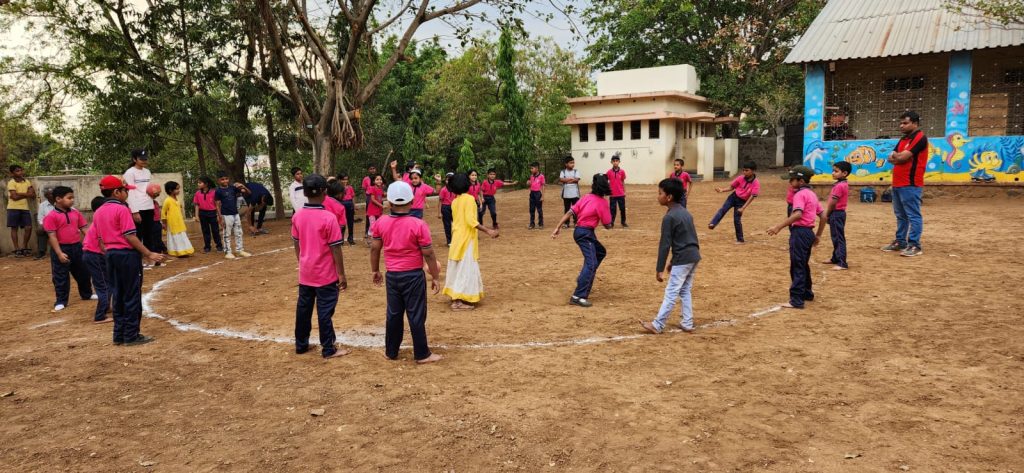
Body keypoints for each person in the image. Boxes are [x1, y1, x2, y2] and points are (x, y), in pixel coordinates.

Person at [370, 180, 443, 364]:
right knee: (416, 314)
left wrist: (375, 270)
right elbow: (428, 253)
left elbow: (374, 249)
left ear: (389, 203)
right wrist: (435, 276)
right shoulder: (418, 224)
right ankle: (422, 354)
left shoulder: (381, 222)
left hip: (392, 275)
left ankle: (391, 351)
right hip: (413, 276)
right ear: (411, 202)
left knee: (394, 314)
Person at [92, 175, 164, 345]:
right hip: (126, 255)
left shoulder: (99, 211)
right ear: (117, 192)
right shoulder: (122, 209)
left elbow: (100, 239)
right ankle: (131, 335)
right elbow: (130, 236)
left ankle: (119, 334)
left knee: (117, 294)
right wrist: (149, 253)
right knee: (131, 294)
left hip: (111, 254)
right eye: (125, 191)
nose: (127, 194)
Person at [291, 173, 350, 359]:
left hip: (306, 272)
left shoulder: (298, 216)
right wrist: (341, 274)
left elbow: (296, 243)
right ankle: (328, 348)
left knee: (303, 309)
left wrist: (302, 262)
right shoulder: (328, 218)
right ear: (325, 192)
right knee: (325, 311)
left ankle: (301, 345)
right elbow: (336, 249)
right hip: (325, 274)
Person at [639, 178, 701, 334]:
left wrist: (659, 268)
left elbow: (665, 244)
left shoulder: (669, 217)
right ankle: (687, 322)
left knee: (672, 291)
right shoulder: (686, 213)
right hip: (693, 256)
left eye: (660, 193)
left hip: (683, 258)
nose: (657, 196)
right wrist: (673, 261)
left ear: (669, 197)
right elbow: (688, 239)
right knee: (685, 290)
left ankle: (658, 324)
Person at [767, 166, 826, 309]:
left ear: (800, 181)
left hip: (799, 232)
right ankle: (807, 293)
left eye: (792, 180)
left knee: (797, 266)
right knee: (803, 264)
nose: (789, 182)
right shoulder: (811, 194)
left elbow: (798, 214)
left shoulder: (799, 195)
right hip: (808, 233)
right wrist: (817, 235)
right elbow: (823, 216)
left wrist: (778, 227)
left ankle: (796, 300)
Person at [551, 174, 613, 308]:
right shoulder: (602, 202)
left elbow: (569, 212)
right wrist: (608, 220)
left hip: (581, 231)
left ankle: (584, 277)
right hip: (585, 234)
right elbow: (608, 225)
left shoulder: (586, 197)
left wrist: (558, 227)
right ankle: (577, 296)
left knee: (600, 252)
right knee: (591, 263)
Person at [443, 173, 499, 310]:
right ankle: (458, 301)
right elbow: (471, 221)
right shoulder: (468, 199)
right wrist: (488, 231)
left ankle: (455, 296)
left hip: (457, 238)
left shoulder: (455, 201)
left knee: (457, 267)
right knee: (465, 268)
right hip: (465, 239)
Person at [882, 111, 927, 257]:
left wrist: (899, 157)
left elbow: (903, 157)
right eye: (901, 123)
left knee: (913, 215)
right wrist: (898, 157)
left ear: (915, 123)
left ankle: (915, 245)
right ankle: (900, 241)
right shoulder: (903, 139)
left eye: (905, 123)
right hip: (898, 182)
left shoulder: (920, 138)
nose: (901, 126)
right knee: (900, 215)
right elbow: (892, 157)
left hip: (911, 183)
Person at [43, 186, 94, 312]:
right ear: (58, 199)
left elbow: (84, 229)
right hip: (61, 248)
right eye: (69, 198)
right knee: (60, 276)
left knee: (83, 272)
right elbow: (52, 236)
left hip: (77, 246)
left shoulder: (75, 213)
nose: (72, 200)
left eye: (73, 198)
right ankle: (61, 300)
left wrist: (92, 242)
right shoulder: (51, 216)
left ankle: (87, 293)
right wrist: (59, 253)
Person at [708, 161, 760, 244]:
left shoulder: (756, 183)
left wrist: (743, 208)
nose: (744, 172)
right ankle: (713, 223)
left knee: (737, 220)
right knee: (723, 209)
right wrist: (722, 190)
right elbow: (731, 187)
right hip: (733, 197)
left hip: (742, 202)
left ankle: (740, 239)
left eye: (747, 170)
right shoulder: (740, 178)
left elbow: (752, 196)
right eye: (743, 170)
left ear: (753, 171)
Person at [83, 196, 113, 323]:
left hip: (93, 255)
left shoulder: (98, 221)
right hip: (95, 255)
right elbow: (102, 244)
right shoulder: (101, 222)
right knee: (103, 285)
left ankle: (105, 307)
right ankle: (100, 315)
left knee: (107, 283)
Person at [818, 162, 851, 270]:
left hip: (837, 214)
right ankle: (835, 258)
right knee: (835, 237)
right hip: (836, 214)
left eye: (836, 171)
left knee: (838, 238)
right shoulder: (840, 184)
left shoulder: (840, 186)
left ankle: (842, 263)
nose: (833, 173)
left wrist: (827, 214)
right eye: (833, 170)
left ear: (845, 173)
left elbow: (833, 202)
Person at [123, 149, 157, 253]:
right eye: (141, 159)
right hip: (138, 207)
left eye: (145, 159)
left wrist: (154, 194)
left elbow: (148, 188)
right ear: (134, 159)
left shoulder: (147, 171)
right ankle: (138, 258)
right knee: (138, 234)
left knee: (149, 233)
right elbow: (130, 193)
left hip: (149, 206)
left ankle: (150, 258)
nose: (144, 161)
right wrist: (134, 211)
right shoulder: (129, 173)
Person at [215, 172, 251, 259]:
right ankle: (228, 252)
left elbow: (248, 193)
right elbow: (217, 204)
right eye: (222, 179)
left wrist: (243, 186)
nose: (225, 181)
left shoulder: (233, 188)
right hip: (226, 215)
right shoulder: (218, 191)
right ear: (218, 181)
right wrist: (220, 217)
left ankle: (240, 250)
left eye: (226, 179)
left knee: (239, 232)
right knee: (227, 233)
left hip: (235, 214)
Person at [6, 164, 36, 257]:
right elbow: (14, 197)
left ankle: (24, 247)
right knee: (14, 228)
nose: (20, 172)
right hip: (13, 208)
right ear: (12, 173)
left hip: (24, 208)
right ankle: (17, 249)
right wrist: (27, 194)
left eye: (21, 170)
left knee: (28, 227)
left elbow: (33, 195)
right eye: (17, 171)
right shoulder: (11, 182)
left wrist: (20, 193)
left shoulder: (27, 181)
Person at [161, 181, 194, 257]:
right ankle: (179, 252)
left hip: (179, 222)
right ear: (170, 190)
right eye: (176, 189)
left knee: (181, 236)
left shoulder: (177, 199)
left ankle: (184, 251)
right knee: (176, 237)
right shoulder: (167, 200)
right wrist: (164, 223)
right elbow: (163, 212)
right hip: (173, 223)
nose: (178, 191)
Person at [193, 176, 223, 253]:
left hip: (212, 213)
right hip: (202, 213)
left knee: (215, 230)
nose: (198, 184)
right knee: (205, 231)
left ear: (206, 184)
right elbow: (197, 205)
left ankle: (219, 245)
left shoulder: (214, 192)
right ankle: (207, 246)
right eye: (198, 183)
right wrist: (196, 216)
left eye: (200, 183)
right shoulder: (197, 193)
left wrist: (219, 215)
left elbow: (217, 204)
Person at [607, 153, 628, 228]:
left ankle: (623, 222)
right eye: (614, 161)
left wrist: (624, 191)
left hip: (621, 194)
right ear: (611, 162)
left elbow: (622, 181)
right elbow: (607, 181)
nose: (615, 162)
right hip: (612, 194)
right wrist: (608, 191)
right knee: (612, 210)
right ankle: (611, 222)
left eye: (617, 161)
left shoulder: (622, 171)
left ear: (619, 162)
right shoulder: (609, 172)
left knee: (622, 209)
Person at [559, 156, 581, 228]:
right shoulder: (563, 172)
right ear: (566, 164)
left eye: (573, 163)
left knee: (576, 209)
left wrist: (567, 180)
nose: (573, 164)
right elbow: (561, 179)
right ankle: (566, 223)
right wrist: (571, 179)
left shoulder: (576, 171)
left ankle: (576, 222)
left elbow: (577, 179)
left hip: (575, 194)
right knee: (567, 209)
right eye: (571, 163)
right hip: (566, 194)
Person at [34, 186, 55, 260]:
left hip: (60, 225)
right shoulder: (42, 205)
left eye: (53, 193)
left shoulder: (60, 202)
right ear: (46, 196)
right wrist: (42, 226)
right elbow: (40, 219)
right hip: (48, 226)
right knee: (40, 230)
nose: (52, 195)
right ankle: (42, 252)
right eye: (49, 194)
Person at [364, 174, 385, 246]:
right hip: (372, 211)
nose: (379, 181)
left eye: (380, 179)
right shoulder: (372, 188)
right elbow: (373, 199)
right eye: (377, 179)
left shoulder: (381, 189)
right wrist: (381, 205)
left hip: (379, 211)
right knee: (372, 225)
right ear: (374, 181)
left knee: (378, 225)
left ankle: (376, 238)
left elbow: (381, 197)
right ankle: (370, 239)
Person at [337, 173, 357, 245]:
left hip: (349, 204)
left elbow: (353, 197)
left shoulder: (350, 187)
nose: (345, 181)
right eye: (343, 179)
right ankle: (341, 239)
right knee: (342, 222)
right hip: (341, 204)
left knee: (350, 222)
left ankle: (350, 238)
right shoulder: (338, 188)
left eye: (346, 179)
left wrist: (354, 206)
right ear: (339, 180)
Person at [147, 184, 167, 257]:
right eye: (156, 193)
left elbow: (158, 213)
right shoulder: (147, 203)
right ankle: (157, 252)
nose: (158, 195)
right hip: (151, 223)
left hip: (157, 222)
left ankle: (161, 250)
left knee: (158, 238)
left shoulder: (155, 202)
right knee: (154, 239)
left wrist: (161, 223)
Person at [438, 173, 455, 246]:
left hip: (454, 207)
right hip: (446, 208)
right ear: (445, 180)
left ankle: (456, 239)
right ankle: (449, 241)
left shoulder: (456, 189)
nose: (449, 181)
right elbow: (440, 201)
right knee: (447, 225)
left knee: (456, 224)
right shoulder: (443, 190)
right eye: (448, 179)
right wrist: (439, 212)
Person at [527, 162, 545, 229]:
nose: (531, 170)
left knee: (539, 210)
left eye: (532, 168)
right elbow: (530, 184)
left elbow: (543, 186)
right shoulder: (531, 176)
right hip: (532, 194)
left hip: (538, 194)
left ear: (537, 168)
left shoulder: (541, 176)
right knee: (531, 209)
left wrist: (543, 196)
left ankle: (541, 223)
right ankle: (532, 224)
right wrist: (528, 183)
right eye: (530, 168)